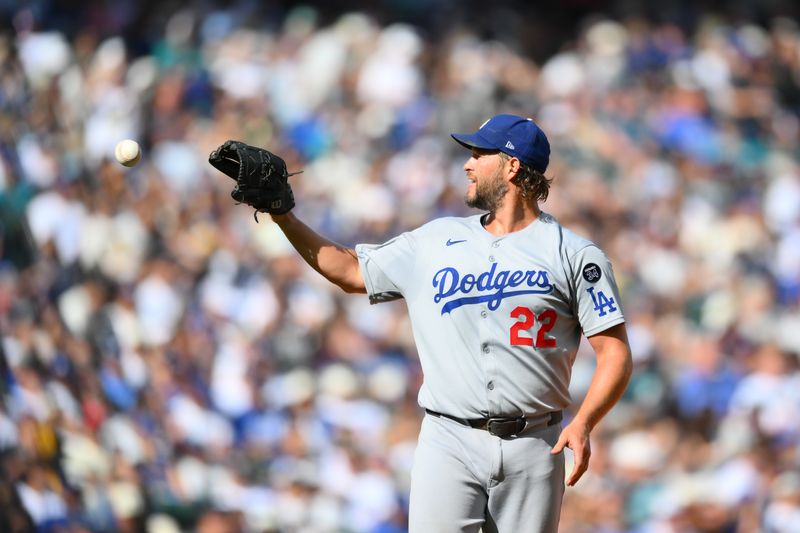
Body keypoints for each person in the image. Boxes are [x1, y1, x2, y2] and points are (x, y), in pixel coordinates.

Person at [262, 114, 632, 532]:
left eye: (479, 154)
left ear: (512, 166)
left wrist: (584, 422)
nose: (467, 164)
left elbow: (614, 352)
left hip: (536, 443)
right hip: (448, 437)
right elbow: (350, 270)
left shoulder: (575, 254)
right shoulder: (436, 240)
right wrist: (284, 216)